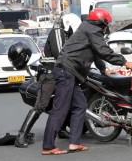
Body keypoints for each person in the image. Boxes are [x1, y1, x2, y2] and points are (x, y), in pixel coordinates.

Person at [41, 8, 132, 155]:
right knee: (60, 109)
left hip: (70, 72)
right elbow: (104, 51)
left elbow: (96, 53)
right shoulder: (92, 29)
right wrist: (125, 62)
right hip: (67, 71)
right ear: (101, 22)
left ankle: (74, 143)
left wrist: (104, 70)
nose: (107, 28)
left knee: (80, 106)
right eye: (106, 24)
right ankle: (48, 146)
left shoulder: (88, 29)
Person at [14, 13, 82, 148]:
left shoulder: (68, 34)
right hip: (50, 74)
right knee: (41, 105)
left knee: (65, 103)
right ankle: (21, 135)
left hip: (62, 74)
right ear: (67, 25)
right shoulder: (57, 31)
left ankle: (61, 130)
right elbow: (60, 53)